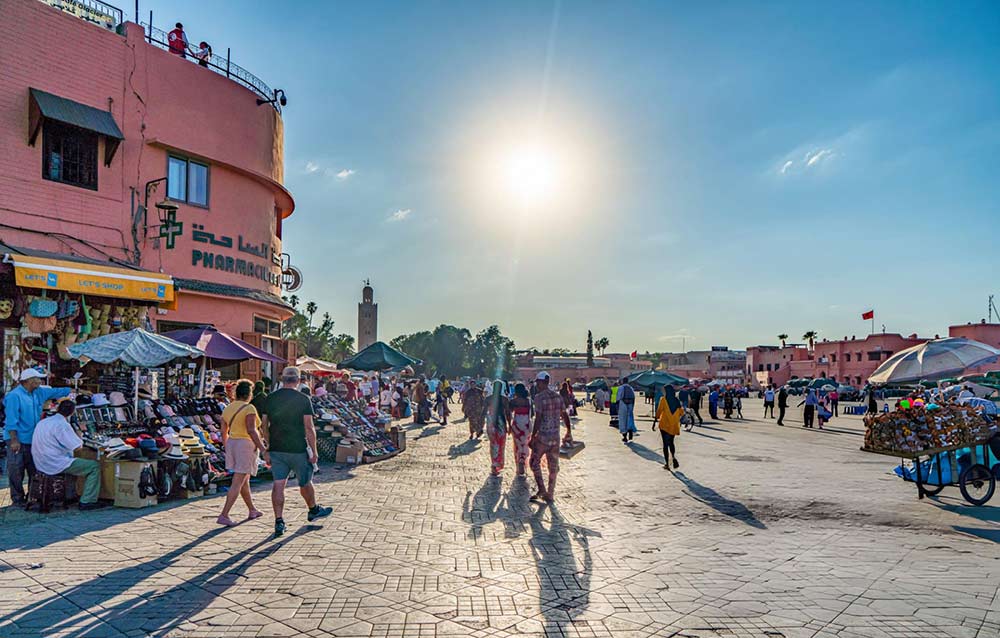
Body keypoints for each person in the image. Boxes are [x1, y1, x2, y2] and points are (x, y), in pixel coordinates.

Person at [260, 367, 332, 537]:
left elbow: (264, 425)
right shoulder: (303, 399)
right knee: (305, 482)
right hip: (298, 448)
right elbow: (309, 427)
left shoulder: (270, 398)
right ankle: (313, 509)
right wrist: (314, 451)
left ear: (282, 379)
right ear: (298, 380)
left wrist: (268, 445)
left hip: (277, 448)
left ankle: (279, 521)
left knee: (278, 484)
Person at [4, 368, 72, 506]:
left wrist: (75, 389)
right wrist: (14, 440)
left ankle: (32, 496)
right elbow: (11, 420)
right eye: (37, 379)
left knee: (33, 469)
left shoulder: (39, 392)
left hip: (33, 439)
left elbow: (56, 391)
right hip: (17, 438)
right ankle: (17, 499)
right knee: (16, 469)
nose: (40, 381)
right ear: (28, 381)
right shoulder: (14, 396)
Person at [31, 400, 106, 510]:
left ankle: (72, 494)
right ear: (72, 413)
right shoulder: (62, 425)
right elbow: (77, 447)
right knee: (93, 466)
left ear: (58, 409)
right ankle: (87, 501)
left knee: (75, 462)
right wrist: (79, 433)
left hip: (40, 461)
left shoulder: (43, 422)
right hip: (54, 462)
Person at [217, 380, 267, 526]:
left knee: (244, 479)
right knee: (238, 481)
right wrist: (262, 448)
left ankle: (252, 509)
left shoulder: (228, 408)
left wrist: (228, 447)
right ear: (249, 394)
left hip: (232, 442)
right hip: (245, 444)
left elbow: (223, 431)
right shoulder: (249, 408)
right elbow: (252, 430)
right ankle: (224, 514)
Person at [529, 372, 570, 503]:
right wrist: (569, 431)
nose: (537, 385)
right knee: (553, 466)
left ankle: (542, 488)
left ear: (542, 382)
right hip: (555, 437)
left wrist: (533, 435)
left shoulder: (539, 397)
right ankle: (550, 493)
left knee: (534, 463)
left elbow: (538, 418)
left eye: (538, 382)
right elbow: (565, 415)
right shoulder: (558, 397)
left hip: (543, 437)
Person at [653, 385, 683, 470]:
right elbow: (681, 412)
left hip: (664, 425)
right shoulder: (677, 400)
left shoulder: (663, 399)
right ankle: (673, 457)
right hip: (673, 425)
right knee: (671, 442)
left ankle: (667, 464)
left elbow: (659, 411)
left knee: (665, 445)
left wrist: (655, 420)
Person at [486, 381, 510, 475]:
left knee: (493, 444)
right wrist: (509, 425)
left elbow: (484, 411)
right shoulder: (504, 399)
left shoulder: (488, 399)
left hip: (491, 422)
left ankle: (494, 464)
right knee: (501, 445)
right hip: (501, 423)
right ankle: (498, 465)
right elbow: (508, 413)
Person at [509, 383, 533, 476]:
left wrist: (509, 425)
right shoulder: (529, 401)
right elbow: (532, 414)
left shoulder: (513, 401)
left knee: (517, 445)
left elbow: (509, 413)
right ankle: (523, 459)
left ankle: (519, 463)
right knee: (525, 444)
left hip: (517, 424)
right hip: (526, 424)